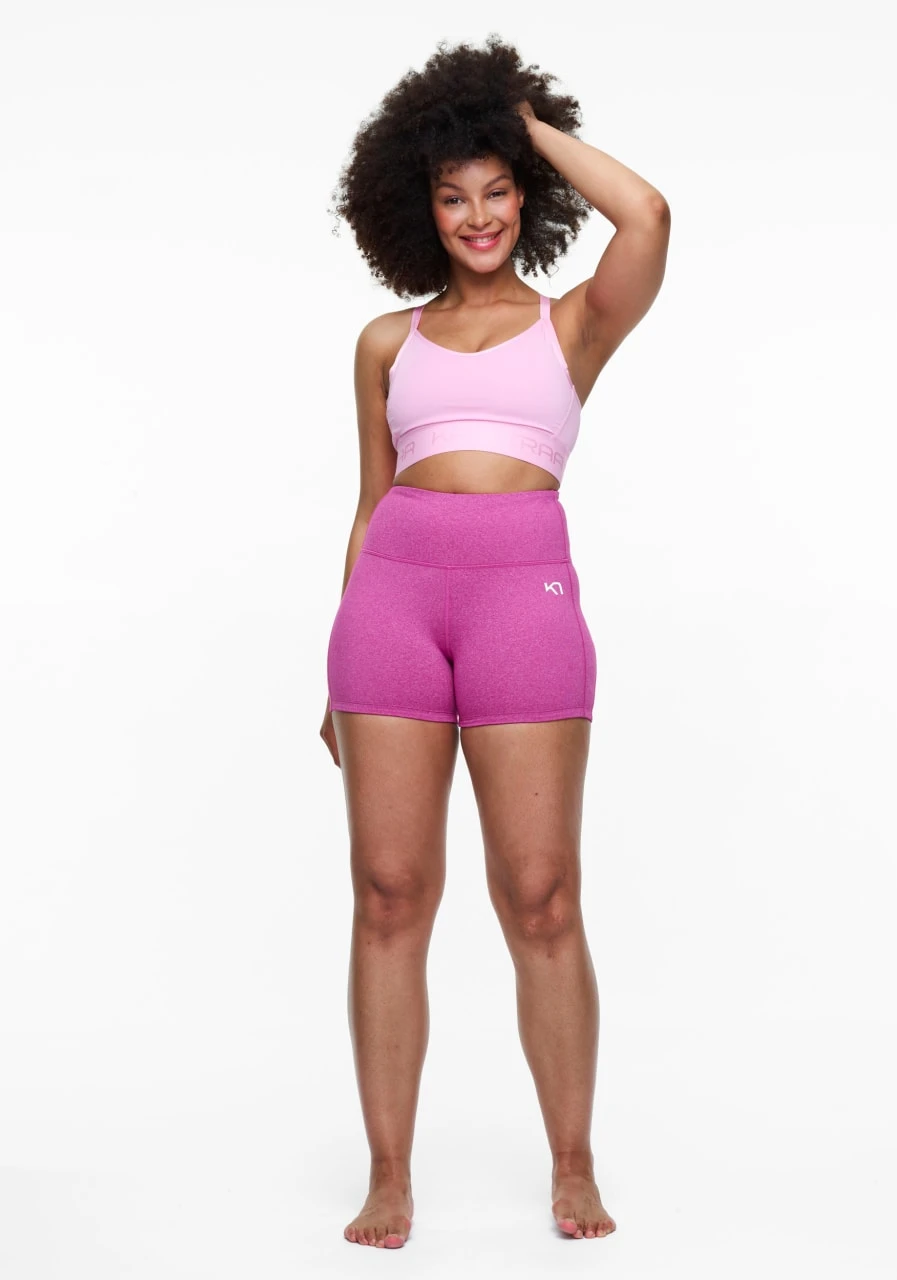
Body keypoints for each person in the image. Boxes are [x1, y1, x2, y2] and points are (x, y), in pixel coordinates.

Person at [320, 36, 669, 1249]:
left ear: (529, 195)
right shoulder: (386, 341)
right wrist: (332, 657)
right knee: (387, 893)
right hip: (389, 610)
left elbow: (648, 214)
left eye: (497, 188)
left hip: (522, 598)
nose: (476, 215)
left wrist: (516, 123)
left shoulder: (570, 326)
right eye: (451, 193)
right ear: (417, 208)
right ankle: (387, 1173)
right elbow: (368, 504)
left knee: (539, 894)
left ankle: (571, 1162)